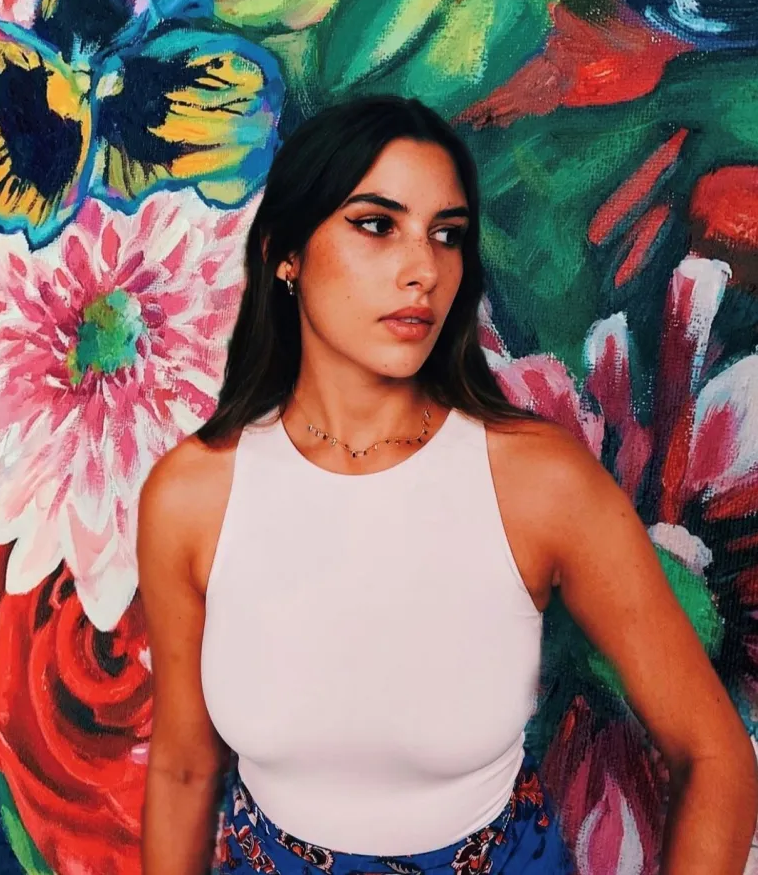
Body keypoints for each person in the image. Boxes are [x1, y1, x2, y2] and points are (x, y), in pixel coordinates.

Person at [137, 96, 758, 875]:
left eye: (446, 234)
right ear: (284, 253)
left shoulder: (537, 483)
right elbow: (183, 769)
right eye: (376, 224)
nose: (422, 269)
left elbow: (713, 753)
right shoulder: (192, 496)